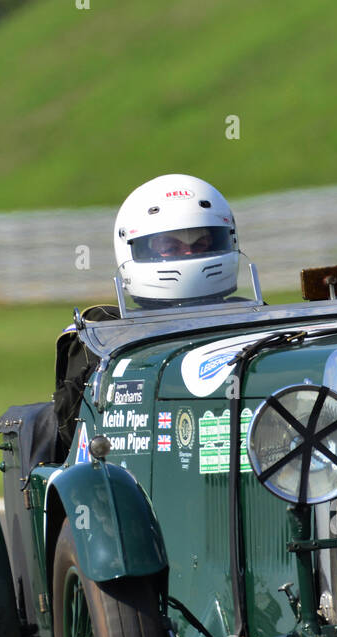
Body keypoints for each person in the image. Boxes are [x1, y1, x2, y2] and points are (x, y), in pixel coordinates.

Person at [53, 173, 241, 450]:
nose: (188, 256)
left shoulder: (253, 319)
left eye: (202, 244)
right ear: (131, 248)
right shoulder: (100, 335)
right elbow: (71, 436)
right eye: (170, 247)